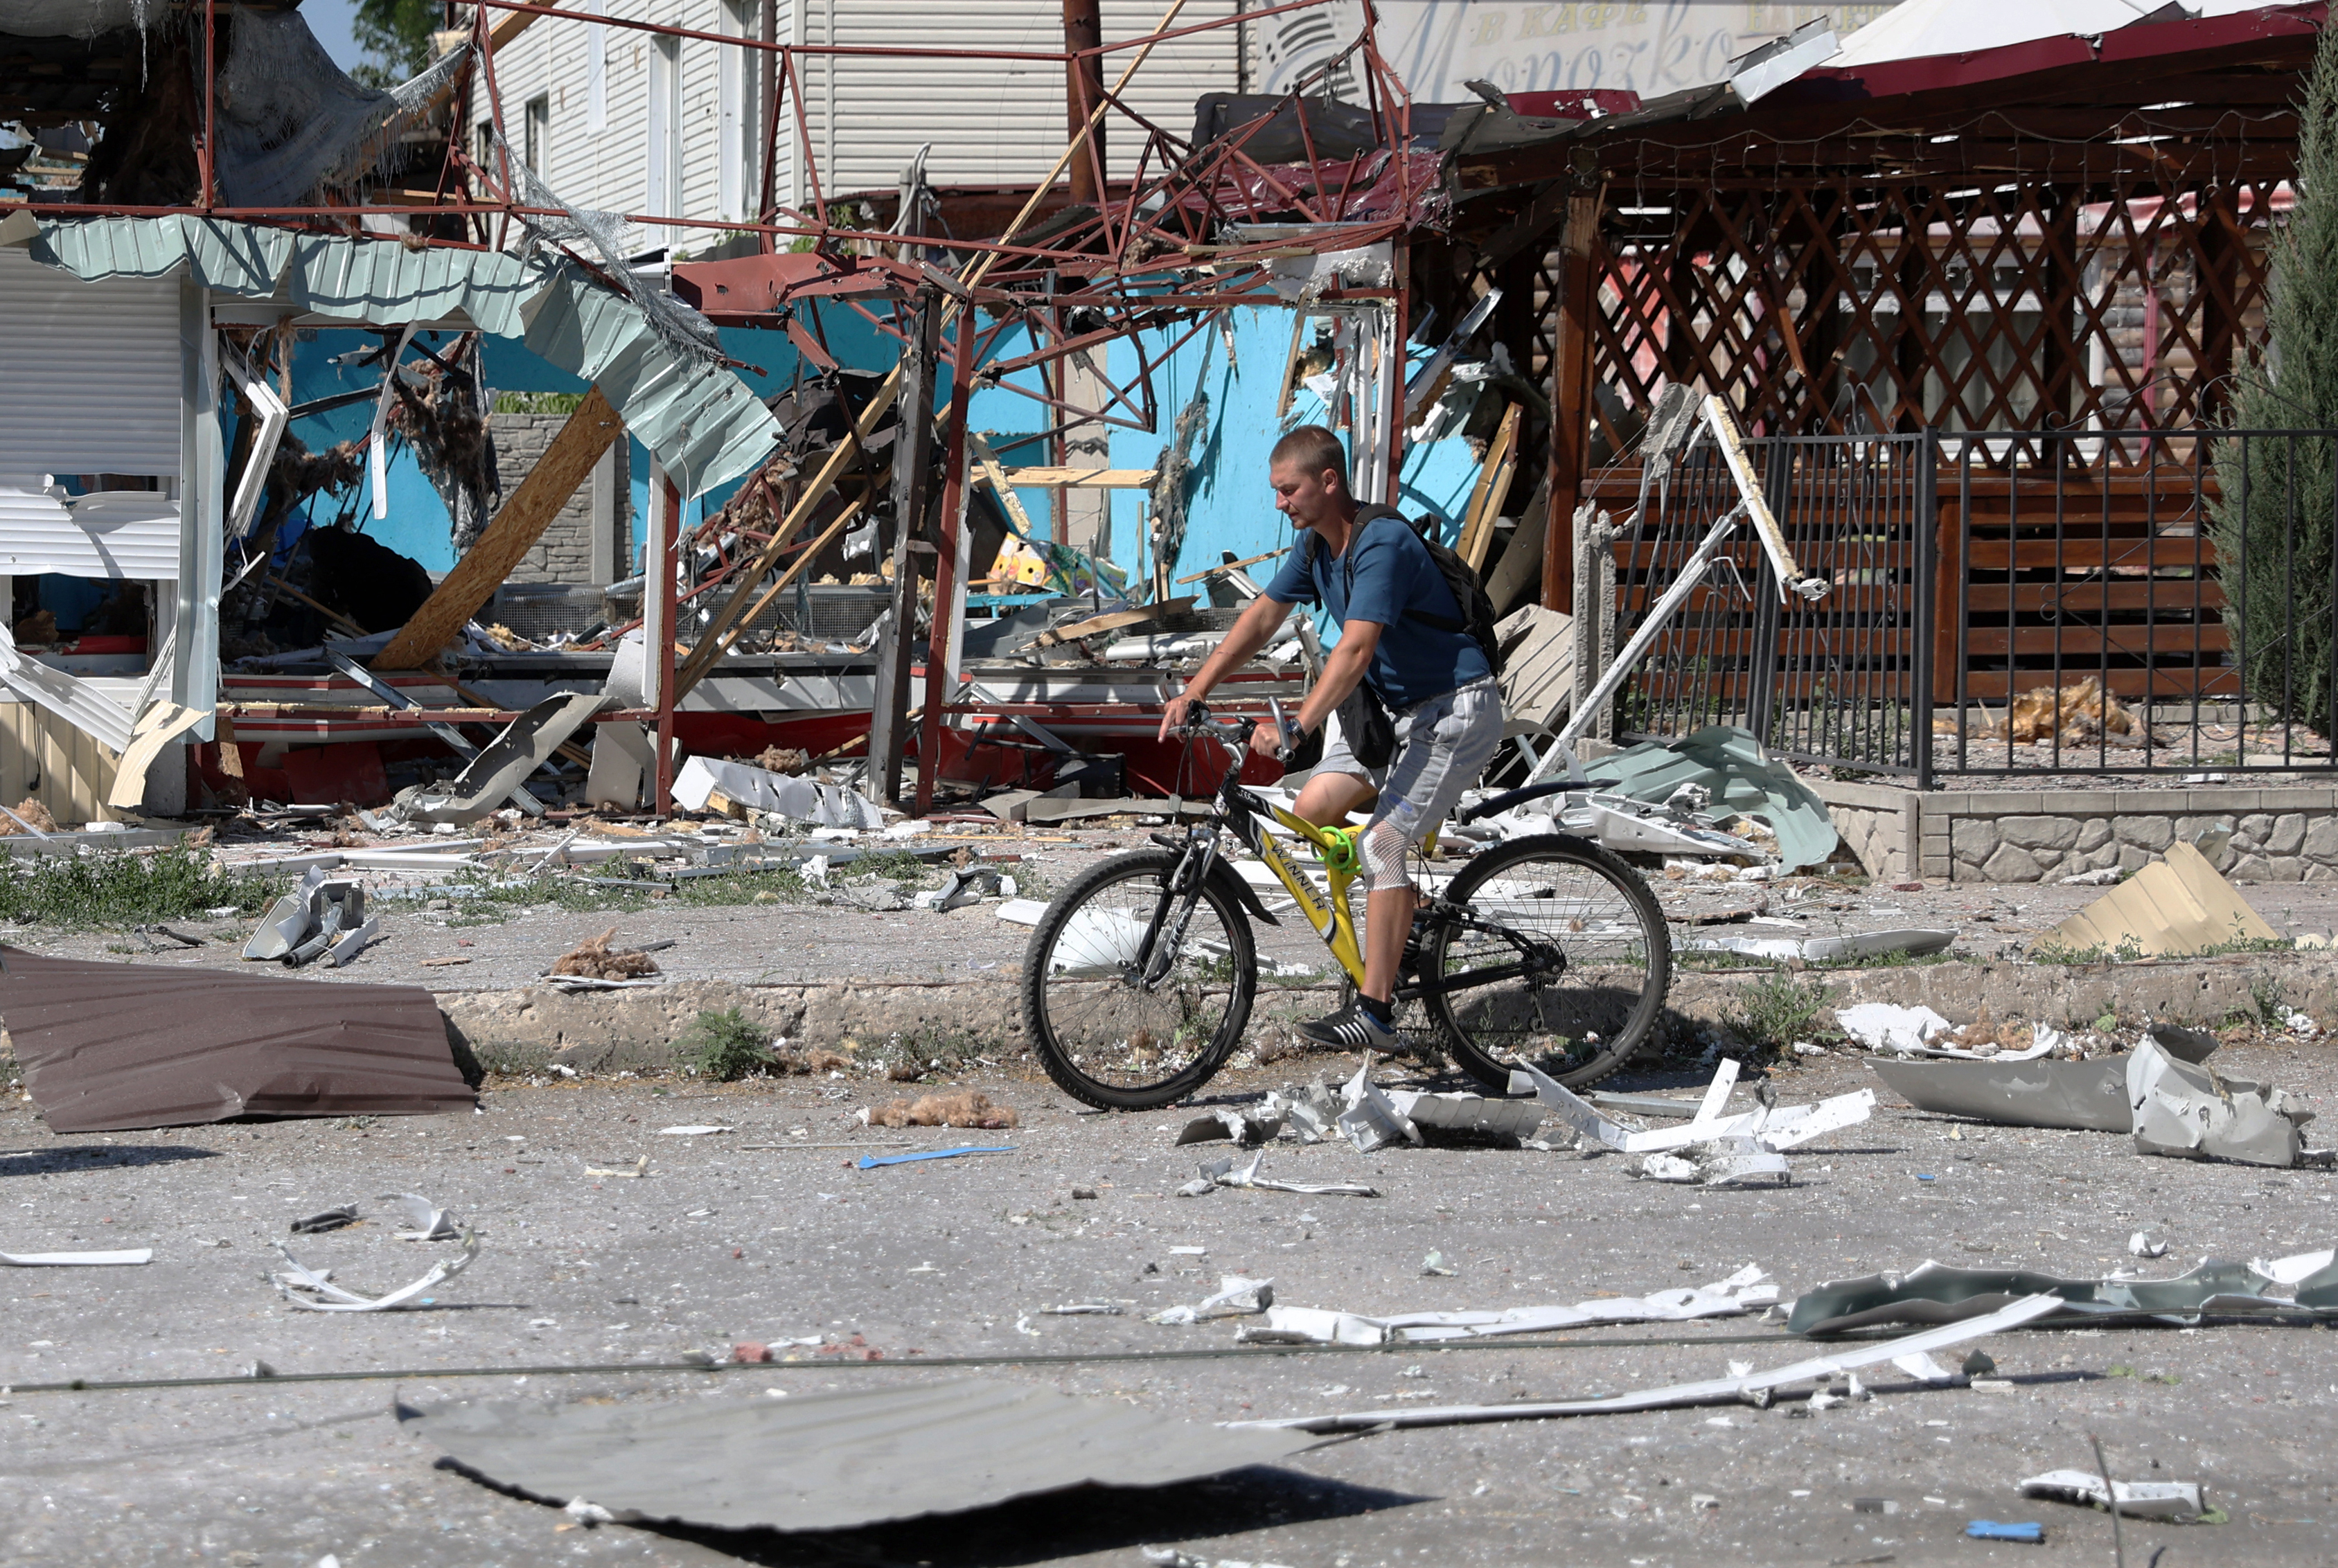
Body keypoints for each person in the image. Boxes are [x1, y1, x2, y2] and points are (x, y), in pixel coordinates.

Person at [1156, 424, 1503, 1053]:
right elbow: (1262, 616)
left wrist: (1299, 723)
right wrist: (1196, 688)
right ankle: (1405, 922)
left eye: (1288, 491)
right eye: (1275, 492)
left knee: (1382, 844)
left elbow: (1355, 647)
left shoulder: (1382, 543)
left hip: (1452, 709)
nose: (1279, 503)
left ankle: (1375, 1010)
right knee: (1312, 811)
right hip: (1388, 715)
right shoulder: (1316, 549)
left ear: (1328, 481)